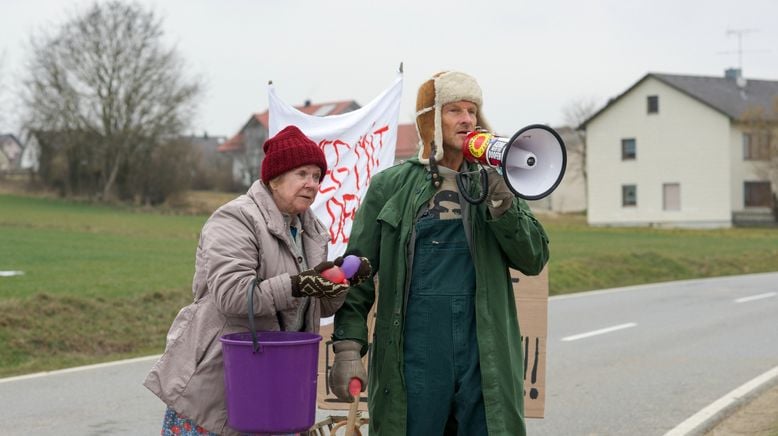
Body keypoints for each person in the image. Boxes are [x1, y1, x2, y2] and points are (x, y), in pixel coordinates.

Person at [329, 71, 550, 435]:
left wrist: (503, 205)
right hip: (412, 360)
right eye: (454, 110)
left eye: (472, 110)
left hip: (483, 356)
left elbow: (533, 257)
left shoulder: (497, 182)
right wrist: (348, 346)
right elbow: (358, 272)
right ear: (430, 120)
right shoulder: (391, 187)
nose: (467, 119)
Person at [143, 125, 371, 435]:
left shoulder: (312, 230)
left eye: (317, 176)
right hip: (222, 381)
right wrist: (297, 284)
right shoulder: (235, 219)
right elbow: (233, 296)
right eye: (302, 174)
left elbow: (318, 308)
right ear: (275, 178)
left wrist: (342, 281)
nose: (312, 184)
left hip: (275, 384)